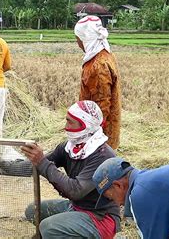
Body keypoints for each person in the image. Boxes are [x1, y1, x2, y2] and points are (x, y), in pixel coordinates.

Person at [20, 101, 120, 238]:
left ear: (85, 125)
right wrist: (0, 167)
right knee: (33, 211)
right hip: (76, 207)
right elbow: (39, 164)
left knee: (48, 227)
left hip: (100, 217)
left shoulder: (102, 156)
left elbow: (75, 191)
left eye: (70, 122)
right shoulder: (69, 147)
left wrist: (42, 162)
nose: (65, 127)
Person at [74, 15, 121, 150]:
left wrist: (93, 134)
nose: (77, 43)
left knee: (99, 164)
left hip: (99, 132)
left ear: (86, 39)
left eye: (78, 39)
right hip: (94, 126)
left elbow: (102, 104)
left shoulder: (99, 65)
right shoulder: (103, 55)